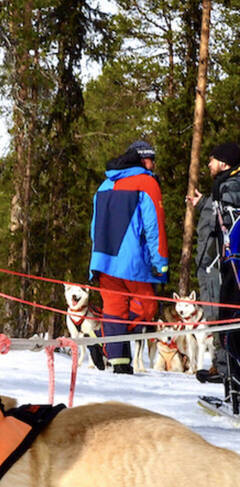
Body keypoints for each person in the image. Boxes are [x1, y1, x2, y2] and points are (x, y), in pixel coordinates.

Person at [89, 140, 168, 374]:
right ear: (144, 159)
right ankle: (105, 339)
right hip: (133, 261)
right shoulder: (146, 183)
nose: (154, 164)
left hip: (103, 260)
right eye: (152, 159)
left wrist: (95, 259)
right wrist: (160, 263)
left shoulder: (104, 184)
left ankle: (119, 364)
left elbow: (95, 226)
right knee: (146, 308)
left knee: (114, 310)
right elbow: (155, 227)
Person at [188, 142, 240, 406]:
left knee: (229, 323)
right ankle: (229, 382)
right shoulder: (224, 185)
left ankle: (232, 384)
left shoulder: (231, 186)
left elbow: (228, 222)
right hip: (222, 265)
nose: (208, 164)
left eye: (212, 160)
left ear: (224, 162)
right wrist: (205, 203)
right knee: (226, 323)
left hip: (227, 266)